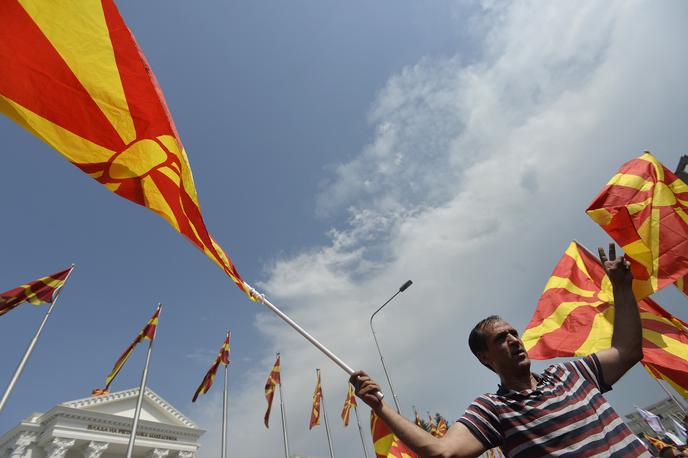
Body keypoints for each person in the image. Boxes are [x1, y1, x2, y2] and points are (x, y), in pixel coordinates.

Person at [351, 244, 650, 457]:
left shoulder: (571, 373)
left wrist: (622, 289)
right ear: (484, 358)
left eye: (513, 333)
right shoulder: (493, 410)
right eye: (500, 339)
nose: (513, 340)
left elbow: (627, 351)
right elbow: (442, 452)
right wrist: (380, 407)